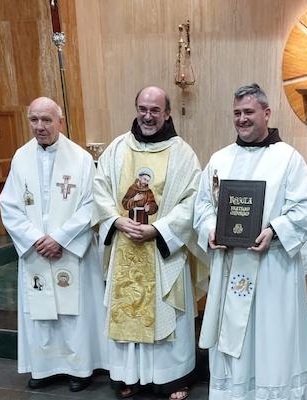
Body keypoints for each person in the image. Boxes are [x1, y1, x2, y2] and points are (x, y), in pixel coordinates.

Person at [194, 83, 307, 400]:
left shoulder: (288, 159)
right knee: (234, 339)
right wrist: (210, 228)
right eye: (236, 113)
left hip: (270, 267)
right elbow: (203, 204)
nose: (242, 119)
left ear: (266, 113)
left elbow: (305, 208)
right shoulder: (220, 158)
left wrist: (274, 230)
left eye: (248, 112)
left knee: (269, 335)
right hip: (230, 262)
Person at [93, 86, 202, 400]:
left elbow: (193, 200)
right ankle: (129, 375)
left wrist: (161, 229)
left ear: (167, 113)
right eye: (143, 108)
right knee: (128, 310)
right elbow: (99, 191)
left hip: (161, 250)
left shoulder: (182, 153)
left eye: (155, 110)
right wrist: (116, 220)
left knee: (168, 312)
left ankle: (172, 378)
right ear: (136, 108)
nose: (148, 116)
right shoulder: (117, 148)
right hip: (125, 245)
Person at [0, 97, 106, 392]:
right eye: (34, 119)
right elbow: (9, 205)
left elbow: (91, 205)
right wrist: (35, 239)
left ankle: (79, 369)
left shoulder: (81, 159)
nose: (39, 126)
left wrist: (60, 238)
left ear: (60, 121)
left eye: (46, 120)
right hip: (35, 249)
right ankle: (44, 367)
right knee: (41, 310)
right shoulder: (20, 157)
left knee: (73, 312)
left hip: (69, 250)